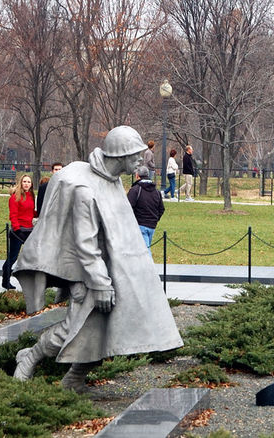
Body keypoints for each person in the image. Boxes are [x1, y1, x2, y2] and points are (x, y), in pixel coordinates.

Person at [11, 125, 183, 393]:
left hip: (112, 270)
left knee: (105, 329)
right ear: (120, 155)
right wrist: (101, 284)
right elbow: (86, 243)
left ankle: (74, 378)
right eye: (135, 154)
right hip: (88, 275)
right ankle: (30, 356)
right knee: (75, 328)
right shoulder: (84, 189)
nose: (141, 159)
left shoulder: (113, 181)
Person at [1, 173, 37, 290]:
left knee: (32, 256)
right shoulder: (14, 197)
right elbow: (13, 215)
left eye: (29, 182)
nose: (26, 184)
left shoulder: (32, 196)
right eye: (25, 182)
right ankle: (5, 280)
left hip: (29, 230)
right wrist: (17, 230)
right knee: (13, 257)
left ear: (31, 185)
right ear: (21, 183)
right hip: (18, 231)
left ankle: (32, 281)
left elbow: (32, 212)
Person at [127, 166, 165, 252]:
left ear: (137, 176)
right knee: (142, 250)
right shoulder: (156, 191)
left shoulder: (135, 190)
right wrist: (155, 219)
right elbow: (161, 209)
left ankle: (148, 265)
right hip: (152, 225)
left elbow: (128, 208)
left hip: (140, 224)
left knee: (145, 252)